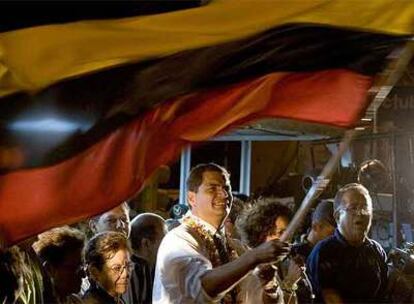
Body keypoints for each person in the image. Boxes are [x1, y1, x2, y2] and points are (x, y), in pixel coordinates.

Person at [153, 163, 291, 303]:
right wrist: (253, 257)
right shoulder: (178, 240)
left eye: (227, 188)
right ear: (191, 198)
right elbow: (202, 288)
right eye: (212, 188)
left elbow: (256, 298)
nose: (224, 195)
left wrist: (269, 288)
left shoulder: (236, 248)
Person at [307, 183, 388, 303]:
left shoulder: (376, 251)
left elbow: (382, 295)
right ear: (338, 216)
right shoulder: (324, 251)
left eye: (365, 208)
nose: (360, 213)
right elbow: (330, 298)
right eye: (353, 208)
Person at [237, 197, 304, 304]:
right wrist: (289, 283)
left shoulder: (280, 264)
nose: (287, 240)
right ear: (262, 234)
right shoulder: (252, 269)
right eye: (280, 232)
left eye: (289, 233)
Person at [33, 226, 85, 304]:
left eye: (81, 266)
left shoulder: (75, 301)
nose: (83, 274)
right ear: (49, 269)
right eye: (74, 268)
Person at [124, 213, 167, 304]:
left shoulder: (152, 266)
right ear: (146, 243)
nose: (167, 246)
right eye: (164, 241)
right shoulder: (127, 274)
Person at [83, 231, 133, 304]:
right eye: (117, 268)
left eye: (128, 266)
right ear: (95, 272)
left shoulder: (116, 299)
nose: (125, 274)